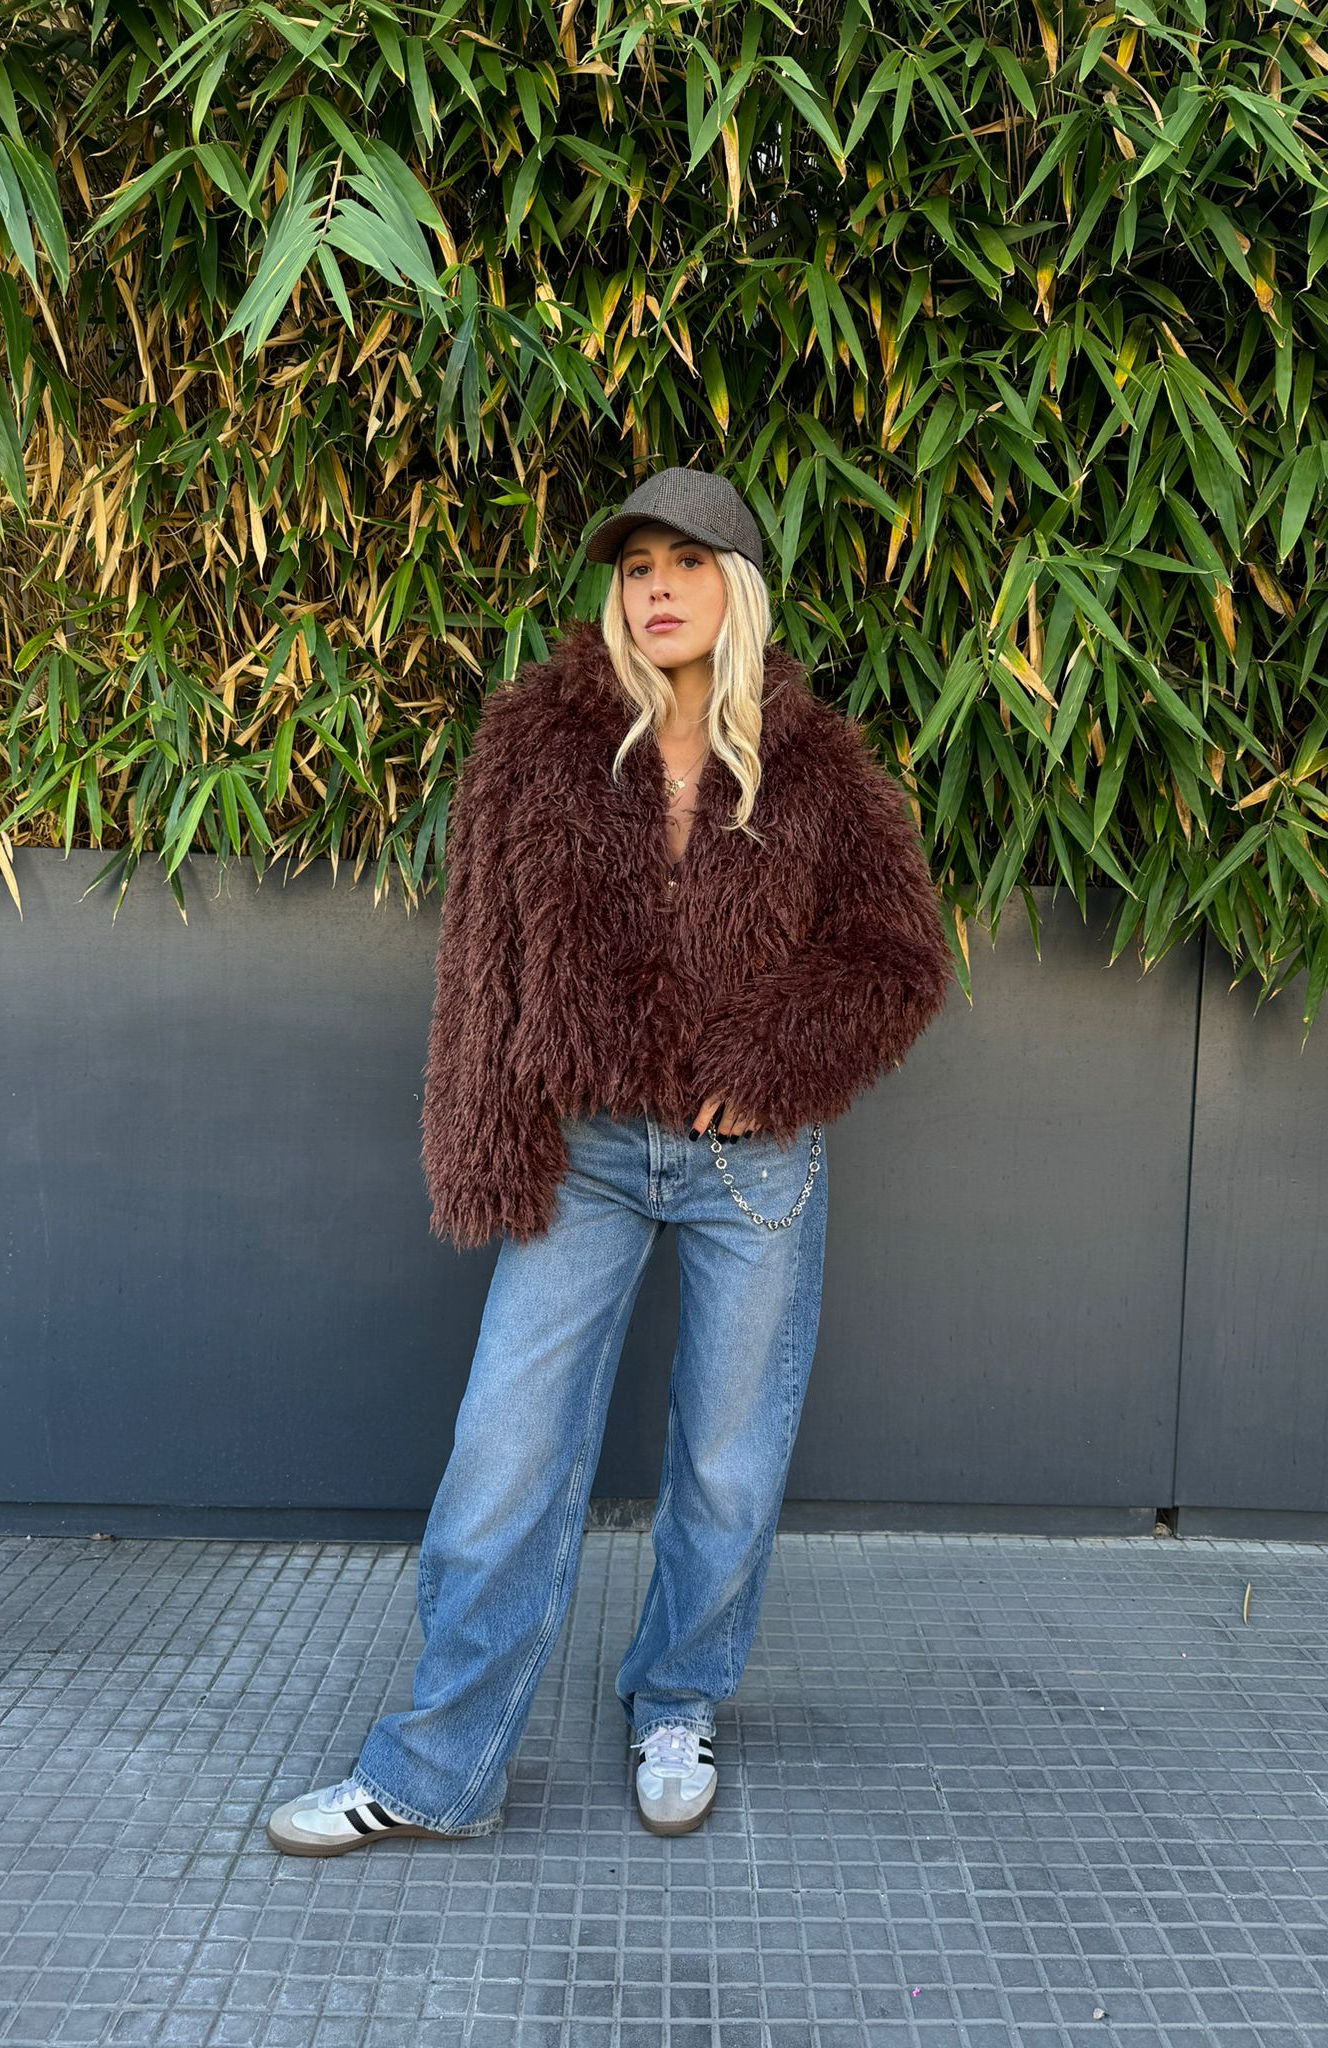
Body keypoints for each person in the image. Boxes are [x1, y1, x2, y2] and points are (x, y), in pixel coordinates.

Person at [266, 464, 955, 1855]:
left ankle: (676, 1703)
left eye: (687, 564)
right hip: (584, 1150)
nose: (657, 589)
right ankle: (437, 1769)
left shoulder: (819, 768)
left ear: (737, 588)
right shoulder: (537, 740)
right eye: (637, 566)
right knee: (504, 1453)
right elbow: (480, 960)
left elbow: (898, 958)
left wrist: (770, 1062)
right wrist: (486, 1138)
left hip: (753, 1166)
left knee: (727, 1464)